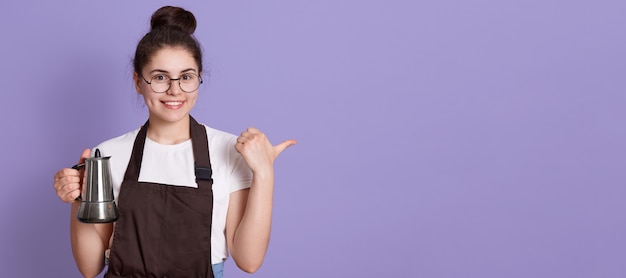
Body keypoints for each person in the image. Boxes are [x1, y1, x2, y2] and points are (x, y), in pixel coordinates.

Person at [52, 5, 296, 278]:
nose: (174, 90)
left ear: (199, 79)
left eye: (186, 77)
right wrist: (78, 199)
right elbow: (89, 267)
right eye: (159, 77)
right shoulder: (108, 154)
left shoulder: (228, 151)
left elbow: (249, 261)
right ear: (137, 81)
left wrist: (264, 173)